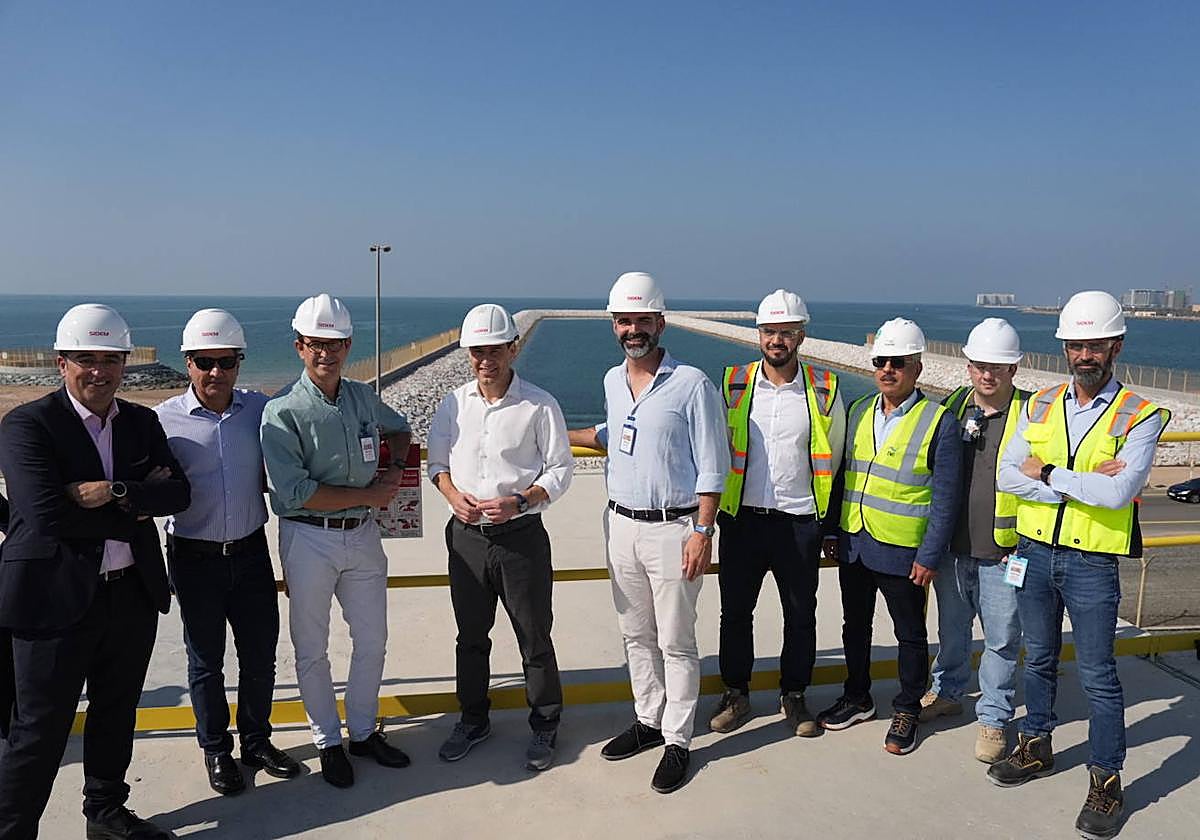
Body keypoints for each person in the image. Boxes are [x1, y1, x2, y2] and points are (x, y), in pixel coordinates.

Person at [0, 304, 190, 840]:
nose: (99, 371)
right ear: (61, 362)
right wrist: (137, 505)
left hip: (130, 593)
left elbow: (178, 492)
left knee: (116, 711)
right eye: (86, 358)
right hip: (50, 601)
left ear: (125, 363)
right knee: (38, 730)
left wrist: (114, 490)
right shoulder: (27, 425)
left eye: (111, 359)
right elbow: (45, 514)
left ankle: (105, 812)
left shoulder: (141, 421)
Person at [990, 291, 1169, 840]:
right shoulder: (1038, 402)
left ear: (1115, 345)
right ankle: (1036, 745)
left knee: (1098, 677)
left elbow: (1119, 494)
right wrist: (1078, 483)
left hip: (1092, 563)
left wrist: (1046, 474)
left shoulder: (1141, 413)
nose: (1084, 354)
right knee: (1038, 659)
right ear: (1065, 348)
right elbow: (1005, 475)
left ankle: (1106, 779)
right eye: (1076, 345)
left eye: (1094, 344)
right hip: (1034, 552)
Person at [568, 272, 729, 794]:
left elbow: (713, 465)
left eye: (641, 319)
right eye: (623, 320)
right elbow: (611, 436)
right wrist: (543, 430)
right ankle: (648, 720)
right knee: (635, 634)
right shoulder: (613, 382)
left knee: (676, 640)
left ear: (660, 322)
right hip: (620, 524)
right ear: (613, 325)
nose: (632, 329)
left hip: (675, 528)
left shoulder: (692, 384)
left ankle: (679, 740)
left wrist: (702, 532)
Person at [260, 293, 412, 789]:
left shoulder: (361, 397)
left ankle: (364, 733)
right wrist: (369, 494)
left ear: (347, 345)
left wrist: (391, 470)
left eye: (336, 344)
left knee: (373, 640)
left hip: (363, 537)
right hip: (309, 540)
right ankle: (328, 742)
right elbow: (296, 491)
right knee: (312, 646)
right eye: (316, 344)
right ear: (300, 346)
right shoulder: (281, 412)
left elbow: (401, 429)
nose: (327, 353)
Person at [155, 309, 300, 796]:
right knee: (206, 662)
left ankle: (256, 741)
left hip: (250, 552)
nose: (215, 372)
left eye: (226, 361)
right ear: (187, 363)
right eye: (204, 361)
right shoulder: (163, 421)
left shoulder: (259, 410)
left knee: (260, 656)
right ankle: (217, 750)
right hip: (193, 557)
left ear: (239, 363)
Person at [427, 303, 573, 771]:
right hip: (466, 538)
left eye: (494, 350)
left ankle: (545, 725)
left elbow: (560, 469)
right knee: (470, 637)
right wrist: (452, 495)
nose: (484, 360)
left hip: (521, 538)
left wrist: (522, 501)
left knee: (534, 636)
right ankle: (473, 721)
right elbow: (437, 464)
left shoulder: (539, 404)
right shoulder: (454, 403)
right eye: (476, 352)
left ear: (513, 348)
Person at [818, 317, 962, 756]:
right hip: (855, 542)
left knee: (910, 635)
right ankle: (858, 695)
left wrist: (930, 555)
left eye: (897, 363)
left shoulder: (939, 422)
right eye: (881, 361)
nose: (887, 370)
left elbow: (945, 499)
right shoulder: (860, 410)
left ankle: (907, 706)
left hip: (903, 551)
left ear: (917, 367)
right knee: (854, 627)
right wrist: (831, 530)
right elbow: (842, 476)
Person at [707, 289, 845, 738]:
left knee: (801, 614)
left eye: (786, 332)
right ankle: (736, 694)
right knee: (735, 612)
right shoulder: (733, 382)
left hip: (799, 520)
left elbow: (837, 457)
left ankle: (795, 695)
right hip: (742, 519)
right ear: (758, 334)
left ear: (801, 335)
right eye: (769, 331)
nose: (777, 340)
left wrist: (828, 526)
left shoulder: (824, 389)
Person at [919, 318, 1030, 764]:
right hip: (952, 548)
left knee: (1002, 639)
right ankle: (947, 691)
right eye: (980, 366)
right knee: (951, 630)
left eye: (997, 368)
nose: (988, 375)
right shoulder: (952, 408)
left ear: (1014, 370)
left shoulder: (1032, 415)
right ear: (967, 366)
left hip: (1005, 554)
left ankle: (995, 716)